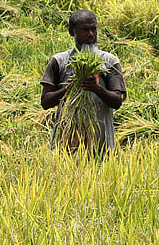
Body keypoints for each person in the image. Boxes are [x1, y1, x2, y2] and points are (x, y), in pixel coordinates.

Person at [40, 9, 126, 154]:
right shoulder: (59, 61)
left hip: (101, 143)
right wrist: (68, 89)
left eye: (94, 29)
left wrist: (96, 88)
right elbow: (45, 102)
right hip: (67, 143)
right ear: (71, 32)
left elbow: (117, 102)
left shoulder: (109, 61)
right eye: (85, 30)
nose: (91, 34)